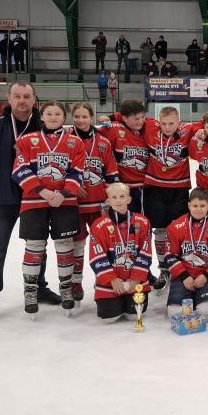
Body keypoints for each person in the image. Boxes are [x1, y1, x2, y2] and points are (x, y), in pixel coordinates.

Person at [0, 82, 58, 323]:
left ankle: (39, 288)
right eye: (17, 96)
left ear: (34, 100)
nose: (22, 100)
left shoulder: (43, 126)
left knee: (38, 247)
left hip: (35, 197)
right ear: (9, 99)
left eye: (27, 96)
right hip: (1, 199)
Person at [11, 100, 86, 318]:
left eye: (58, 114)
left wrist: (63, 193)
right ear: (42, 116)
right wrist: (43, 191)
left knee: (65, 244)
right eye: (49, 113)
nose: (53, 117)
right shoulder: (27, 140)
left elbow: (78, 171)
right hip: (34, 201)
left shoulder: (74, 142)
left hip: (65, 202)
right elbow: (19, 169)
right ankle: (30, 291)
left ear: (64, 117)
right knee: (35, 245)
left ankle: (66, 288)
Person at [142, 106, 204, 290]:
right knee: (160, 231)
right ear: (158, 122)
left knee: (179, 231)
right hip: (155, 188)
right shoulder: (150, 127)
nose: (167, 127)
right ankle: (164, 269)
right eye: (164, 123)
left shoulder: (187, 130)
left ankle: (180, 269)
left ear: (179, 123)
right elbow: (132, 115)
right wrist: (112, 116)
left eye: (171, 123)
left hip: (179, 189)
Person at [71, 102, 120, 304]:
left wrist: (110, 196)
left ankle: (105, 279)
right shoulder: (65, 138)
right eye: (77, 116)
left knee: (106, 244)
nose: (81, 120)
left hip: (100, 204)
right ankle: (75, 282)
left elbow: (111, 171)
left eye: (85, 116)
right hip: (74, 204)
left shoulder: (103, 142)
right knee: (77, 244)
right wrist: (72, 186)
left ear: (91, 117)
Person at [88, 183, 153, 323]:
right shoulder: (99, 225)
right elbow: (96, 256)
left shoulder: (142, 222)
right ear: (108, 201)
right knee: (109, 318)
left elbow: (146, 253)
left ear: (129, 199)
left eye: (122, 196)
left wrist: (136, 278)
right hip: (111, 283)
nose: (118, 200)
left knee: (134, 316)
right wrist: (112, 279)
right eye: (114, 197)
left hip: (134, 281)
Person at [163, 188, 208, 320]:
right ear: (189, 205)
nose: (198, 209)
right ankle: (191, 296)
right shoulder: (176, 226)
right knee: (175, 314)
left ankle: (200, 298)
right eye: (195, 206)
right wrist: (184, 276)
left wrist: (206, 276)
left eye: (202, 206)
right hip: (183, 277)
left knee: (207, 314)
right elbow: (169, 255)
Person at [99, 100, 150, 215]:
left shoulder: (149, 127)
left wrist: (113, 116)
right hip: (122, 187)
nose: (141, 121)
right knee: (123, 219)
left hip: (145, 187)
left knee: (141, 219)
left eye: (143, 117)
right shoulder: (114, 128)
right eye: (136, 119)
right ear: (125, 118)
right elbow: (91, 134)